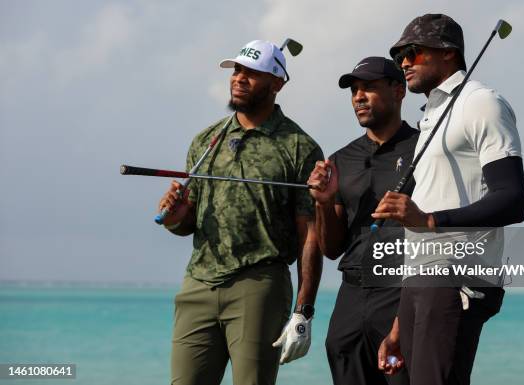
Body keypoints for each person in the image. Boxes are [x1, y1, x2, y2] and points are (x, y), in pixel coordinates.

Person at [158, 39, 324, 385]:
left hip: (259, 285)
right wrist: (176, 215)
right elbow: (187, 223)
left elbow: (310, 233)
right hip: (198, 284)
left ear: (276, 83)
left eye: (252, 72)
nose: (239, 78)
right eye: (237, 70)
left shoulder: (299, 146)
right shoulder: (206, 140)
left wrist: (302, 310)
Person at [375, 14, 524, 385]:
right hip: (422, 281)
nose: (404, 63)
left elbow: (513, 199)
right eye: (399, 56)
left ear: (448, 53)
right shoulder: (431, 114)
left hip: (455, 279)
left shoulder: (481, 103)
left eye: (413, 52)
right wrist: (400, 321)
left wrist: (430, 220)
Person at [308, 56, 418, 385]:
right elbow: (331, 248)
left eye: (369, 88)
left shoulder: (424, 150)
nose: (359, 96)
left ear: (399, 91)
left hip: (401, 291)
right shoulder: (340, 159)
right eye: (354, 90)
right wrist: (324, 204)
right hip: (351, 295)